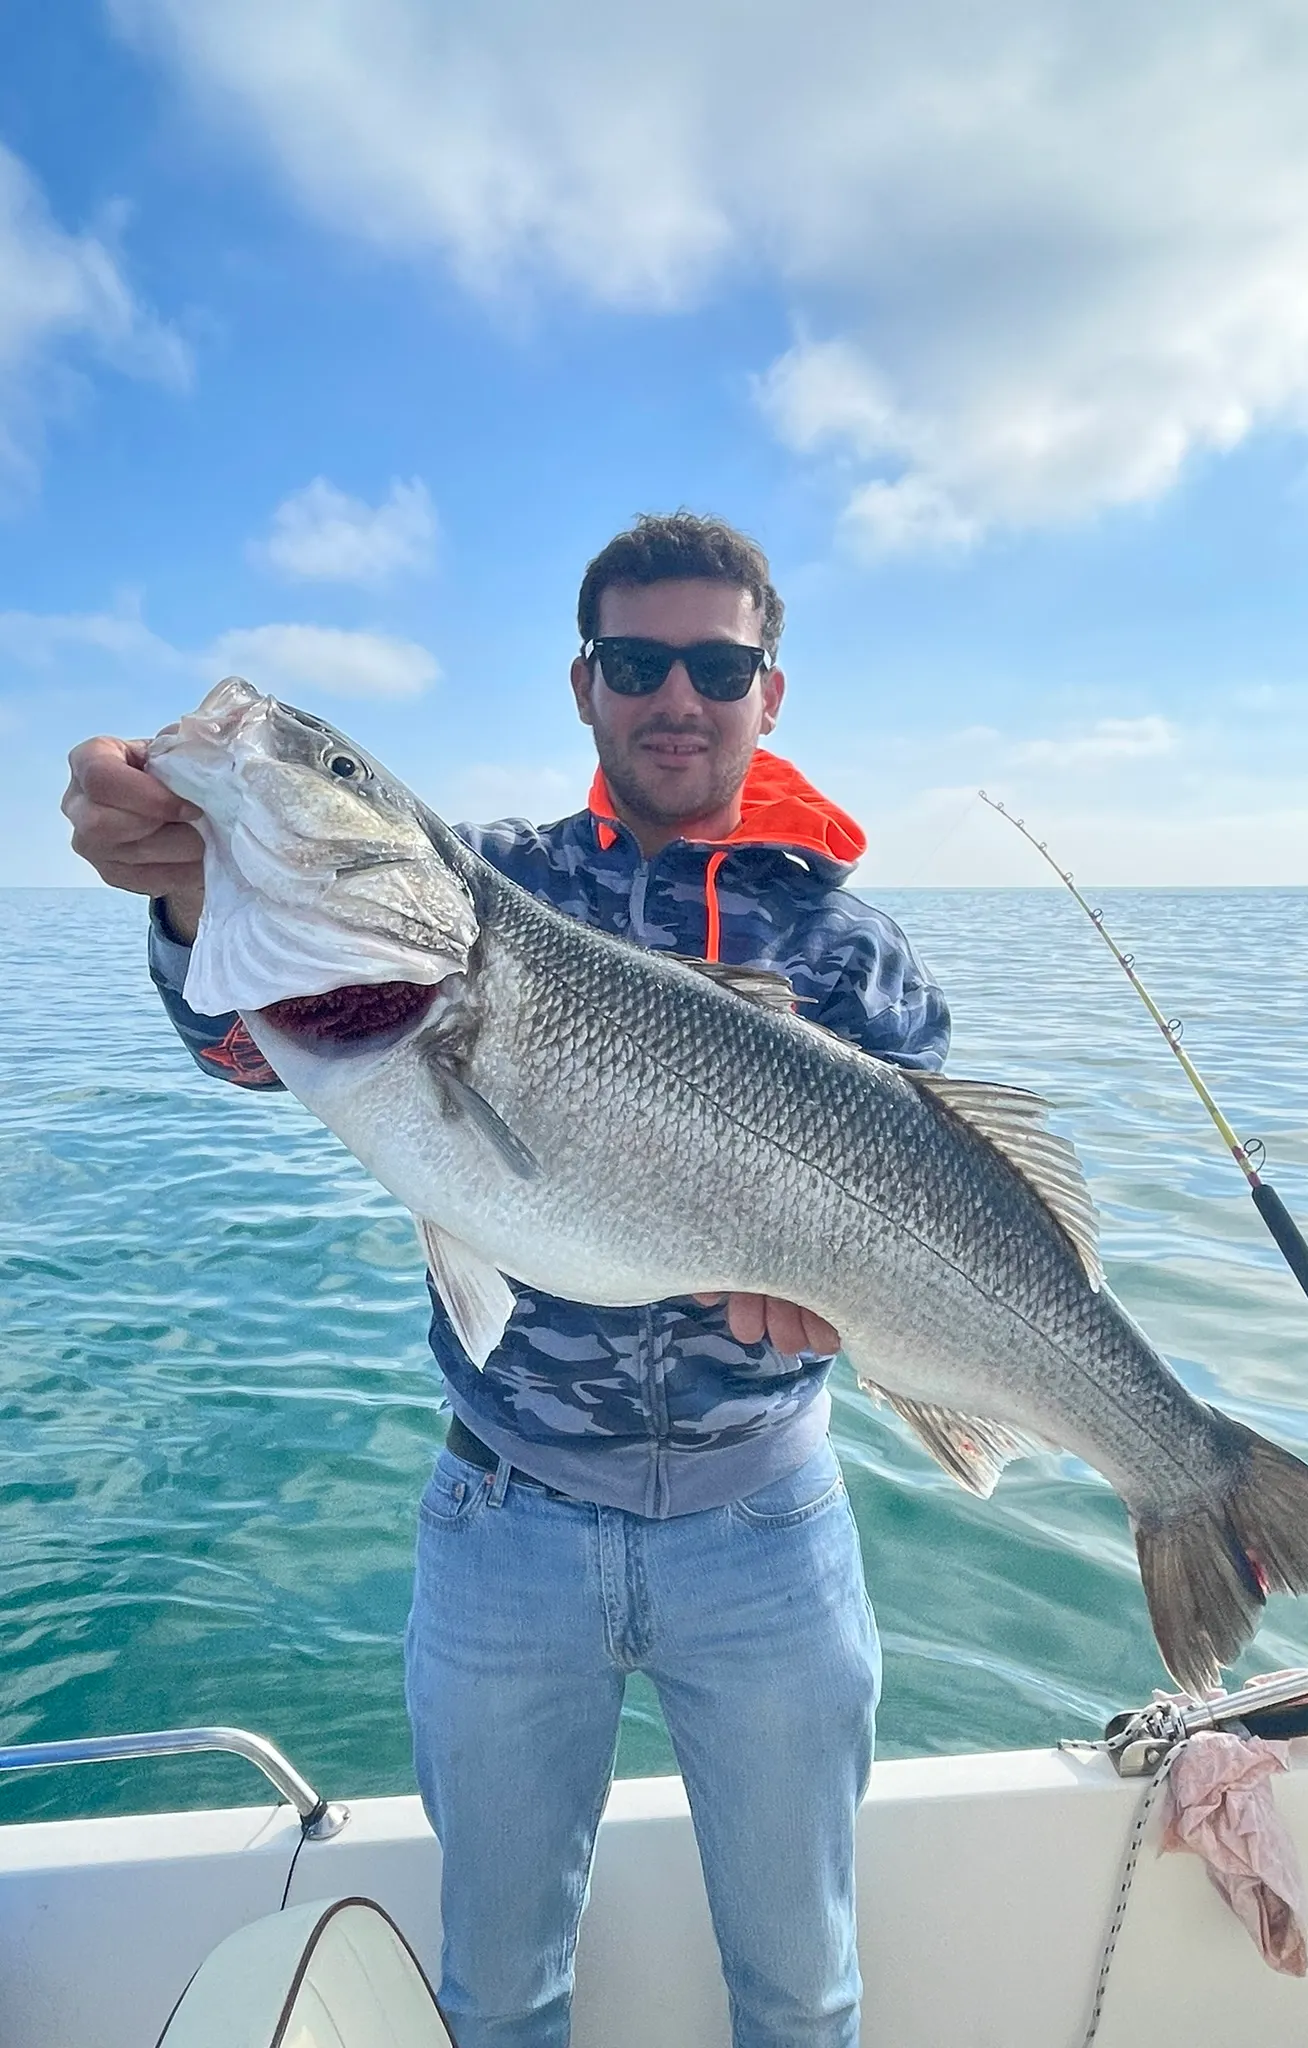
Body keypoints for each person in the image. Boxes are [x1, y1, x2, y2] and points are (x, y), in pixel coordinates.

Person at [62, 512, 951, 2048]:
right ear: (585, 685)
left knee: (808, 1995)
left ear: (768, 692)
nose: (678, 692)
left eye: (717, 663)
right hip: (506, 1527)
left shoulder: (859, 958)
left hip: (770, 1530)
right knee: (496, 1992)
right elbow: (243, 1047)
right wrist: (193, 898)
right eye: (637, 660)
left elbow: (942, 1215)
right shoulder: (484, 889)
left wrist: (860, 1318)